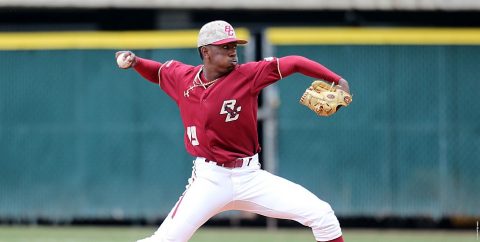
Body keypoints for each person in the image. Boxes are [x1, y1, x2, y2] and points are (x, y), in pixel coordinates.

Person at [115, 20, 350, 242]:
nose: (232, 51)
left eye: (234, 46)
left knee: (323, 216)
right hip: (209, 180)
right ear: (205, 52)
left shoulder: (248, 75)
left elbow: (294, 63)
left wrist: (336, 79)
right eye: (225, 47)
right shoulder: (183, 78)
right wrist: (136, 62)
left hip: (250, 177)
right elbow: (158, 73)